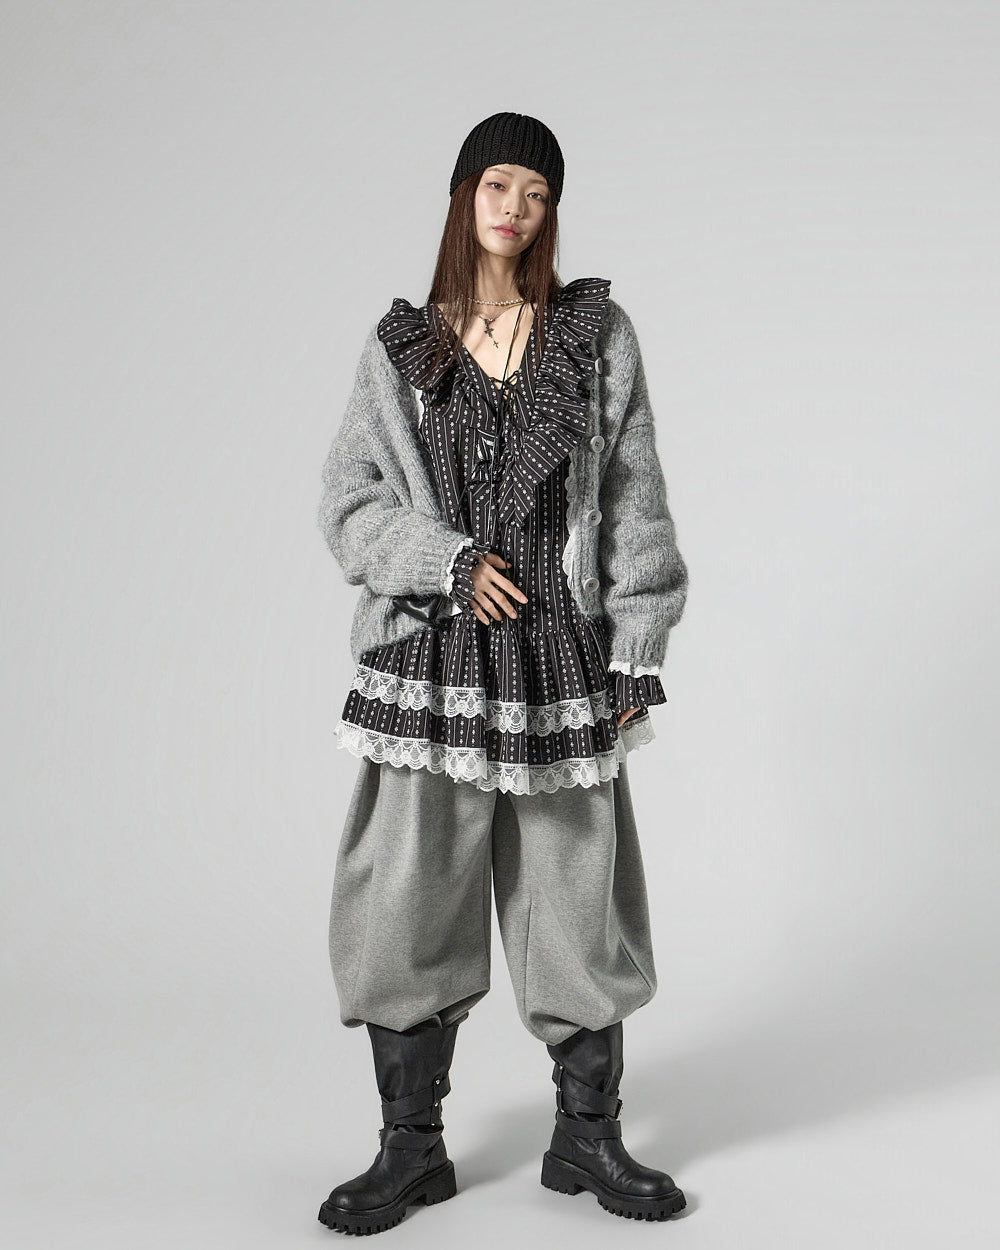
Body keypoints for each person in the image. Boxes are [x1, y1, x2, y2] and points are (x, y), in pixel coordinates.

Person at [315, 112, 689, 1234]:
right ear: (463, 195)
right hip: (429, 660)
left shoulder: (596, 335)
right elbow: (349, 503)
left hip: (558, 660)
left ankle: (586, 1137)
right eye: (497, 184)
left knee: (577, 898)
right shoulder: (401, 347)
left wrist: (637, 633)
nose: (515, 208)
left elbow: (633, 495)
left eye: (535, 191)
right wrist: (443, 560)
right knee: (405, 899)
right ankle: (410, 1150)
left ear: (550, 210)